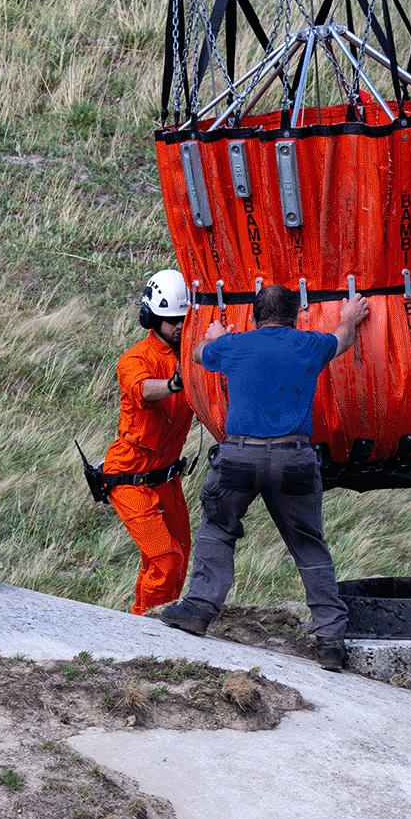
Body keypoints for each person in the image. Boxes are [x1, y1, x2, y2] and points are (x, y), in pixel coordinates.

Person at [149, 283, 371, 670]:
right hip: (293, 458)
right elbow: (344, 339)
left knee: (218, 529)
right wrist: (349, 317)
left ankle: (198, 610)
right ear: (296, 316)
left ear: (253, 316)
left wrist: (216, 337)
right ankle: (330, 641)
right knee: (307, 544)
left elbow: (199, 354)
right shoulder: (309, 344)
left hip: (238, 456)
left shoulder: (234, 347)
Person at [97, 269, 198, 613]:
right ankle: (153, 634)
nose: (181, 326)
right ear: (151, 317)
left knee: (177, 562)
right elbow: (143, 389)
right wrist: (174, 383)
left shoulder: (193, 353)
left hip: (168, 478)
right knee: (166, 561)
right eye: (172, 320)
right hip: (130, 478)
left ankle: (141, 627)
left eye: (185, 319)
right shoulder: (136, 358)